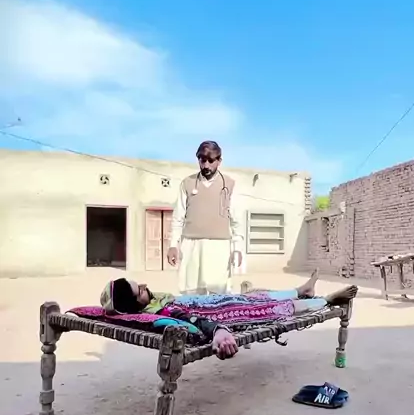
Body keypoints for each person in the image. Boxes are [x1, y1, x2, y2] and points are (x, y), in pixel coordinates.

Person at [100, 275, 358, 360]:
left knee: (256, 297)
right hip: (224, 312)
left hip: (219, 301)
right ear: (136, 304)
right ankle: (325, 301)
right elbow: (190, 319)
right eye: (139, 290)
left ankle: (301, 291)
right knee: (270, 308)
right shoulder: (161, 311)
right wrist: (218, 330)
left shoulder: (155, 301)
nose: (144, 285)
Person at [167, 140, 243, 294]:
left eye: (211, 160)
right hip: (191, 247)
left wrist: (238, 249)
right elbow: (178, 218)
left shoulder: (230, 185)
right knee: (190, 292)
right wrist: (173, 245)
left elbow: (237, 222)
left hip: (219, 247)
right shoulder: (187, 183)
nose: (206, 165)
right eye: (202, 160)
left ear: (219, 161)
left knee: (219, 294)